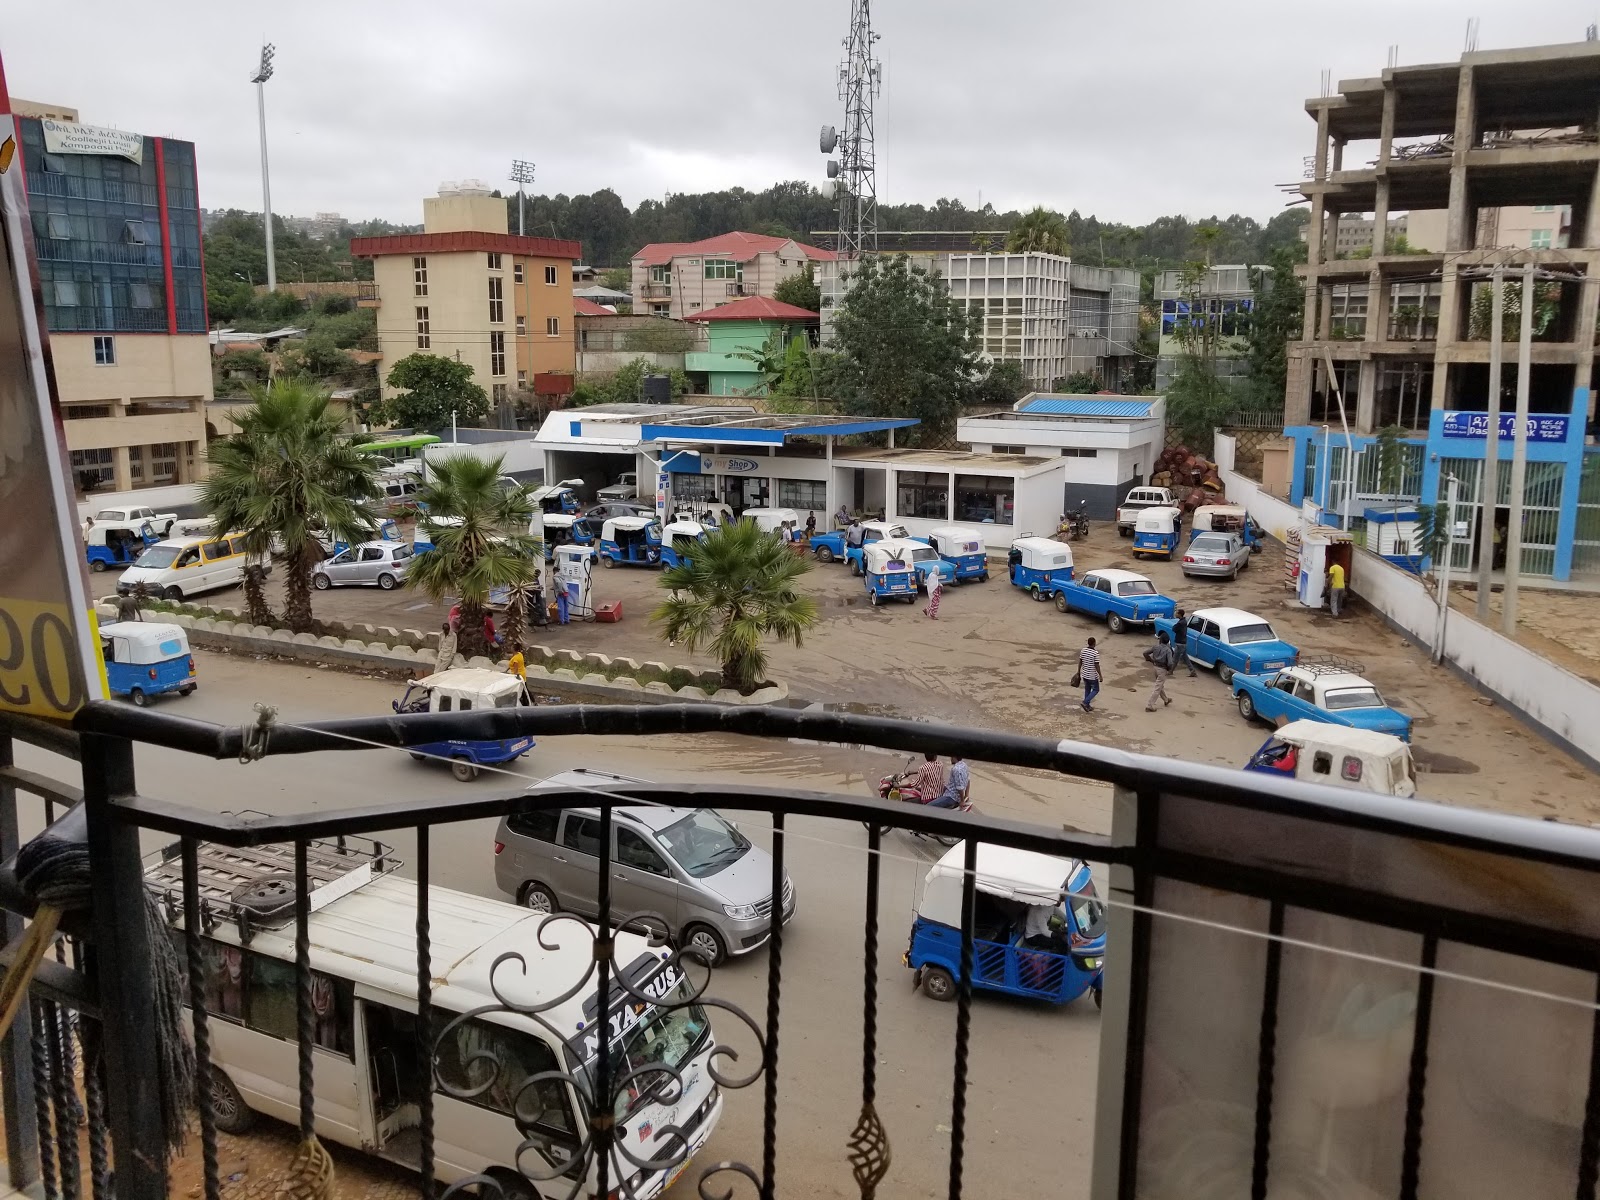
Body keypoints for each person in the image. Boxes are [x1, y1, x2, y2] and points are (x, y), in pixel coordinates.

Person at [1144, 630, 1176, 712]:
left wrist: (1151, 660)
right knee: (1158, 687)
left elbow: (1145, 653)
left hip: (1155, 667)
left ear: (1160, 640)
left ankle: (1166, 700)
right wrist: (1169, 670)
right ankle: (1149, 705)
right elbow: (1170, 663)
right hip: (1162, 670)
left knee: (1160, 685)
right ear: (1168, 641)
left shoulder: (1155, 647)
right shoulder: (1168, 650)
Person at [1170, 608, 1197, 678]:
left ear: (1179, 614)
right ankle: (1192, 671)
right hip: (1183, 642)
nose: (1175, 614)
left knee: (1175, 658)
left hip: (1179, 643)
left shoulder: (1180, 623)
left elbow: (1174, 628)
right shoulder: (1184, 621)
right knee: (1185, 657)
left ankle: (1171, 671)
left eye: (1177, 613)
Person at [1078, 637, 1102, 713]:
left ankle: (1087, 706)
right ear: (1094, 643)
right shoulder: (1095, 653)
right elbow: (1097, 665)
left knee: (1087, 689)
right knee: (1096, 690)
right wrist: (1100, 675)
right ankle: (1085, 702)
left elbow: (1080, 662)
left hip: (1084, 674)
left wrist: (1078, 671)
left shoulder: (1083, 651)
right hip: (1092, 676)